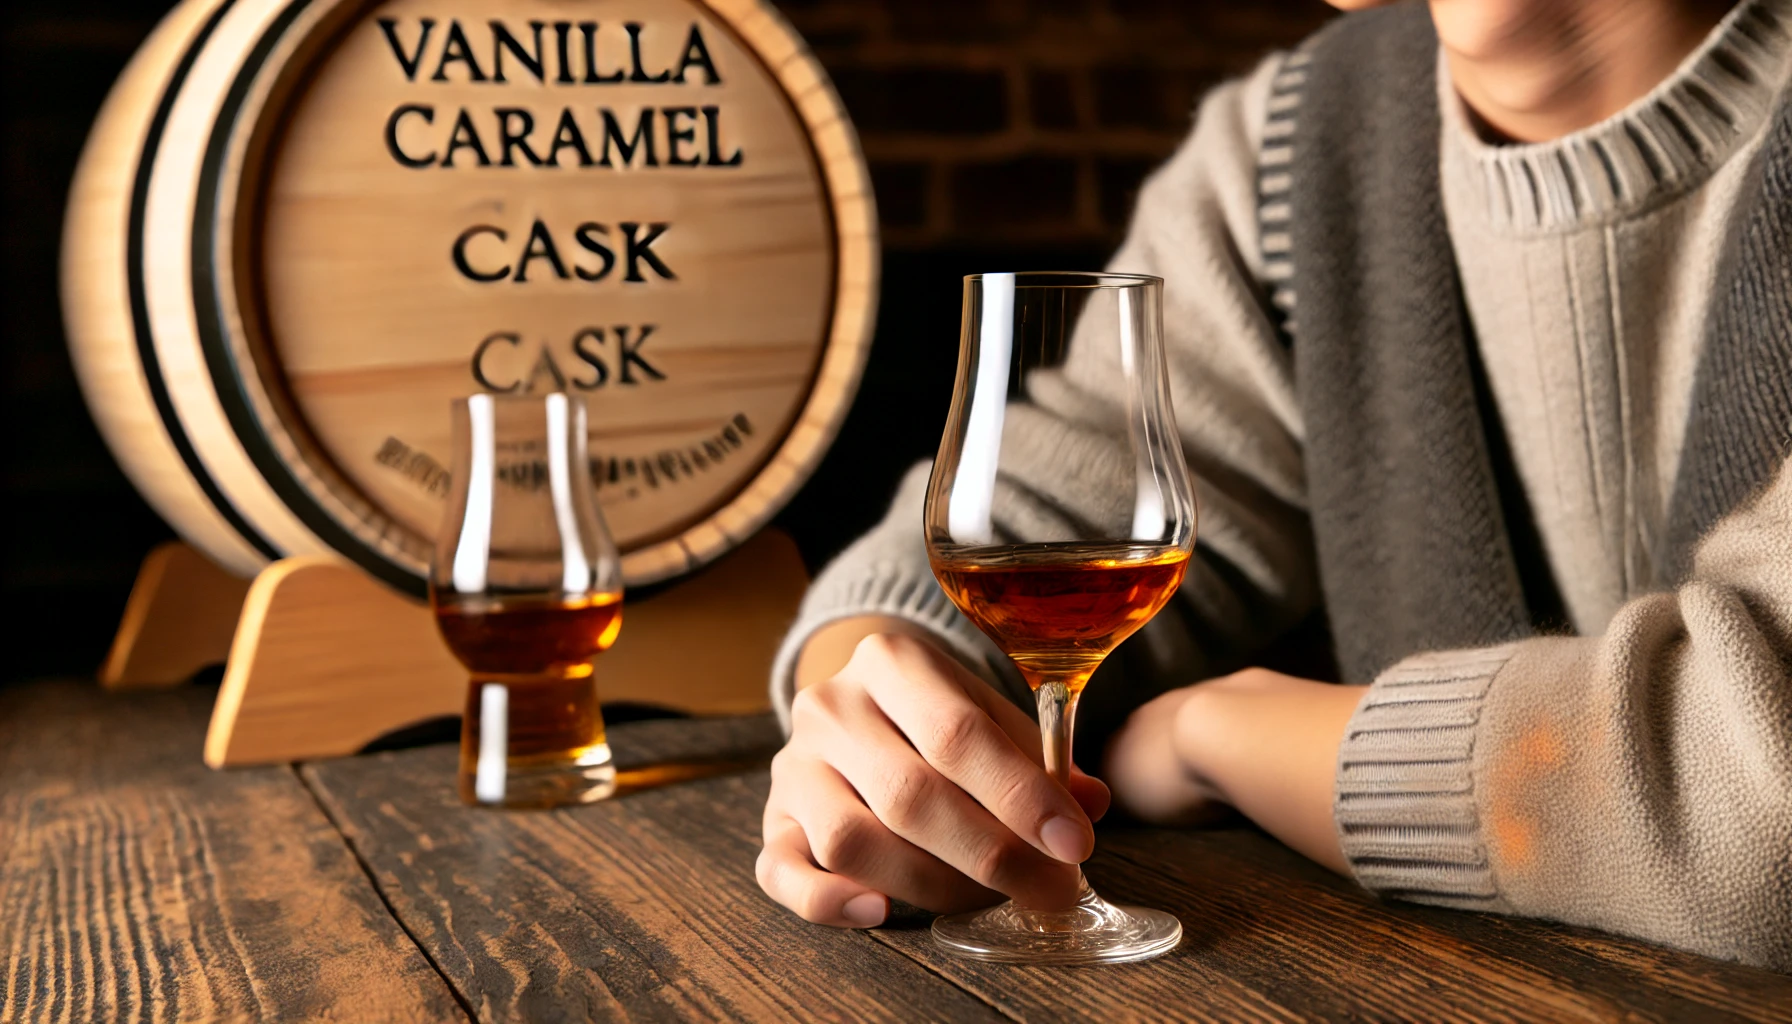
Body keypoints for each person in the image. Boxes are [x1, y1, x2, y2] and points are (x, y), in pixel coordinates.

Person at [757, 0, 1792, 972]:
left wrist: (1226, 736)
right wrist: (873, 710)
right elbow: (1048, 505)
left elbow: (1760, 800)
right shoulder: (1293, 150)